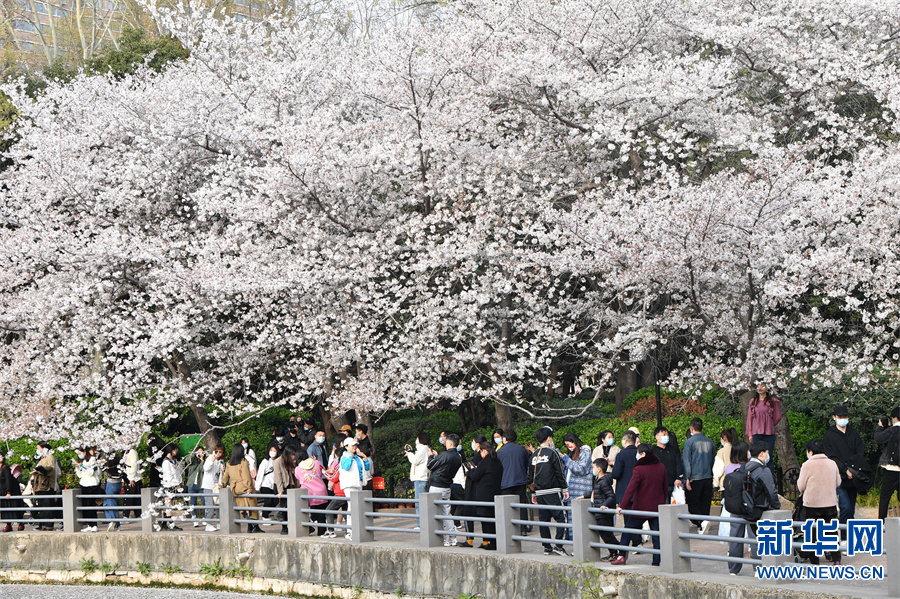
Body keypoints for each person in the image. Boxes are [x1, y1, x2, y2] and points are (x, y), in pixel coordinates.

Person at [610, 443, 667, 566]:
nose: (637, 455)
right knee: (656, 535)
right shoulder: (661, 466)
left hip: (641, 508)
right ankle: (657, 561)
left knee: (627, 531)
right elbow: (665, 487)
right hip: (656, 507)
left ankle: (621, 556)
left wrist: (622, 506)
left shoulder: (639, 469)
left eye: (638, 453)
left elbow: (630, 489)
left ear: (643, 454)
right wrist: (662, 502)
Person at [727, 442, 780, 575]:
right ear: (762, 454)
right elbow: (771, 492)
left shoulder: (743, 467)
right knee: (755, 539)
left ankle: (733, 569)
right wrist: (777, 506)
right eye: (767, 453)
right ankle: (758, 568)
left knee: (735, 538)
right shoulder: (763, 470)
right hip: (754, 509)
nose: (768, 456)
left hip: (738, 507)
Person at [797, 439, 842, 565]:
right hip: (830, 503)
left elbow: (801, 486)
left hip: (812, 504)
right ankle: (836, 559)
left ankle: (814, 561)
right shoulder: (832, 463)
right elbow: (838, 482)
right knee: (832, 532)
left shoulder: (807, 465)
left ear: (810, 451)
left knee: (812, 534)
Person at [528, 426, 569, 557]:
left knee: (544, 520)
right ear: (549, 438)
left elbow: (530, 476)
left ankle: (547, 547)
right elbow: (559, 472)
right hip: (553, 491)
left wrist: (533, 493)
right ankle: (559, 545)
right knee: (562, 518)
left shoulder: (534, 455)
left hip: (539, 493)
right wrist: (565, 488)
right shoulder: (552, 453)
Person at [823, 405, 866, 526]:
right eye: (840, 417)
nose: (842, 419)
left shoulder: (854, 433)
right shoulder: (829, 435)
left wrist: (854, 469)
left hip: (853, 476)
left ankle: (849, 533)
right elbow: (831, 456)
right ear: (834, 417)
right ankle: (844, 533)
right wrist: (844, 469)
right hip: (838, 477)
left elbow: (860, 452)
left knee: (851, 509)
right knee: (845, 507)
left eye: (845, 416)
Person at [426, 433, 462, 547]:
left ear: (450, 443)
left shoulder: (445, 454)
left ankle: (441, 539)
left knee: (435, 512)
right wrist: (438, 456)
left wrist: (430, 456)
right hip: (447, 486)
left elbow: (430, 465)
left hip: (436, 486)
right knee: (447, 512)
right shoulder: (458, 457)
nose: (444, 443)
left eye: (446, 442)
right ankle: (452, 537)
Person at [466, 440, 503, 550]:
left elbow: (475, 476)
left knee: (486, 520)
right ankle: (494, 542)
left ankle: (491, 543)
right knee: (493, 519)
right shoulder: (498, 462)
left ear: (484, 451)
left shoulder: (484, 463)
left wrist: (471, 471)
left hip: (484, 496)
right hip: (496, 493)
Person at [682, 418, 715, 530]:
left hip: (695, 477)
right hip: (708, 476)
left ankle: (700, 522)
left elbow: (687, 462)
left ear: (691, 428)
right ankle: (704, 522)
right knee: (705, 502)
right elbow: (712, 460)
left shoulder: (689, 442)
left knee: (692, 503)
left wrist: (687, 478)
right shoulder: (710, 442)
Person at [498, 429, 531, 535]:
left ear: (505, 439)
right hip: (520, 481)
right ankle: (523, 528)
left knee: (508, 506)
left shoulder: (500, 452)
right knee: (521, 504)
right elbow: (527, 464)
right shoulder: (521, 449)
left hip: (505, 482)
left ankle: (510, 529)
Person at [221, 443, 260, 533]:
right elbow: (246, 476)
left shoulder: (229, 463)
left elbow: (226, 476)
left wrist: (222, 485)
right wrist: (249, 488)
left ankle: (251, 527)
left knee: (244, 507)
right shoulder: (243, 462)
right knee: (251, 507)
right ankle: (254, 525)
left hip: (235, 489)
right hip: (244, 487)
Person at [746, 382, 782, 473]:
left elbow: (778, 416)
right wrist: (750, 433)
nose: (760, 388)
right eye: (758, 386)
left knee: (768, 456)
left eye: (762, 386)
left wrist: (770, 424)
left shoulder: (772, 401)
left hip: (769, 433)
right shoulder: (753, 401)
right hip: (756, 433)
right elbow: (749, 418)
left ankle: (768, 476)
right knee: (756, 455)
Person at [560, 433, 592, 539]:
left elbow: (580, 469)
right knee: (572, 518)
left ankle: (579, 542)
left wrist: (567, 460)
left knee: (580, 519)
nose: (569, 447)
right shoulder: (572, 454)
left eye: (569, 444)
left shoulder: (585, 451)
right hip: (571, 491)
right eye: (567, 445)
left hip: (580, 491)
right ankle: (573, 540)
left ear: (575, 442)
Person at [340, 437, 372, 540]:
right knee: (351, 507)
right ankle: (350, 531)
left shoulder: (357, 457)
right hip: (350, 485)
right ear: (346, 447)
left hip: (358, 484)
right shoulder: (344, 456)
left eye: (355, 445)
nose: (354, 447)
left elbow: (366, 467)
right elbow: (346, 467)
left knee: (359, 507)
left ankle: (357, 529)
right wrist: (350, 456)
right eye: (352, 445)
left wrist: (364, 457)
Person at [590, 458, 619, 561]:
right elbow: (596, 492)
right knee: (606, 534)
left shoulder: (603, 482)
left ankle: (619, 551)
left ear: (599, 469)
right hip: (600, 512)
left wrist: (604, 505)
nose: (592, 469)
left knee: (607, 535)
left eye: (594, 467)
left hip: (603, 513)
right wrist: (584, 495)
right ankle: (613, 553)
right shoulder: (599, 481)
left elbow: (611, 496)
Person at [875, 407, 900, 521]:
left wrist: (880, 427)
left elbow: (878, 438)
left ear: (894, 418)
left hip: (892, 469)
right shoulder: (893, 429)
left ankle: (882, 522)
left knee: (885, 497)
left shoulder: (893, 430)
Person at [713, 428, 738, 538]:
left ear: (724, 438)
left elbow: (717, 471)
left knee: (727, 510)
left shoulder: (722, 452)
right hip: (739, 483)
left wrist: (715, 484)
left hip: (726, 484)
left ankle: (727, 534)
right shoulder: (739, 449)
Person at [650, 426, 684, 501]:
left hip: (673, 484)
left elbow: (679, 464)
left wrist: (679, 478)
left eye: (667, 434)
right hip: (659, 485)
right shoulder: (653, 451)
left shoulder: (673, 450)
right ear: (657, 437)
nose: (666, 436)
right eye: (664, 434)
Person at [31, 442, 59, 530]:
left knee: (47, 506)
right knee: (41, 506)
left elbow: (51, 470)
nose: (37, 450)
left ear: (44, 448)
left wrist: (40, 470)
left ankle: (48, 525)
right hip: (40, 485)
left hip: (47, 486)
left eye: (38, 448)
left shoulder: (50, 458)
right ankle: (42, 524)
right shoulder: (42, 458)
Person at [74, 446, 102, 532]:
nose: (79, 455)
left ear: (85, 452)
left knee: (91, 504)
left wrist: (82, 466)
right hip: (84, 483)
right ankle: (89, 524)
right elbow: (80, 475)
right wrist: (78, 467)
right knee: (85, 505)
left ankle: (94, 524)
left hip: (91, 484)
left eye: (80, 453)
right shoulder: (83, 461)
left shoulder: (92, 460)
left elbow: (91, 472)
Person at [273, 445, 300, 535]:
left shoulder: (291, 461)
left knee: (290, 506)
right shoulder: (278, 461)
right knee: (284, 506)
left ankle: (289, 526)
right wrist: (280, 490)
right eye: (293, 454)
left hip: (289, 485)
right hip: (281, 486)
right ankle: (284, 527)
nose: (294, 456)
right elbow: (278, 477)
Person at [405, 432, 430, 528]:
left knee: (419, 503)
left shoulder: (423, 449)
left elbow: (415, 460)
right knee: (422, 503)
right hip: (422, 478)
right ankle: (423, 524)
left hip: (420, 479)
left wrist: (409, 454)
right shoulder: (424, 449)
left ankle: (421, 525)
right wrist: (412, 452)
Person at [323, 446, 347, 538]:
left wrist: (325, 473)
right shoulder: (345, 465)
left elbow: (333, 478)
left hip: (340, 494)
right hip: (345, 492)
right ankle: (349, 531)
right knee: (346, 513)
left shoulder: (340, 466)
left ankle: (330, 531)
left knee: (329, 510)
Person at [200, 445, 224, 531]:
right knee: (210, 506)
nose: (218, 453)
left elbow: (217, 474)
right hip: (208, 486)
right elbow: (205, 468)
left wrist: (221, 471)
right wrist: (212, 460)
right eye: (217, 451)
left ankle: (219, 522)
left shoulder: (220, 461)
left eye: (220, 452)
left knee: (218, 504)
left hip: (216, 486)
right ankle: (208, 524)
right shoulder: (210, 458)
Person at [160, 444, 184, 531]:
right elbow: (168, 475)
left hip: (174, 485)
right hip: (168, 485)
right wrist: (173, 484)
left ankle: (164, 524)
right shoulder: (166, 462)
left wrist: (178, 482)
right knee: (168, 505)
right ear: (171, 450)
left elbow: (177, 472)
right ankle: (171, 524)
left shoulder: (174, 460)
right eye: (175, 450)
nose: (176, 451)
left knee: (169, 505)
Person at [611, 431, 638, 505]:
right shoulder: (639, 453)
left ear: (625, 441)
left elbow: (616, 474)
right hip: (638, 491)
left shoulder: (621, 454)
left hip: (624, 491)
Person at [255, 445, 279, 524]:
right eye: (271, 450)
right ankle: (265, 517)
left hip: (274, 485)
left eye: (274, 451)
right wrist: (257, 486)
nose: (273, 452)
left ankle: (265, 512)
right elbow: (260, 473)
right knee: (268, 500)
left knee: (275, 501)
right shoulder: (265, 461)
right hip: (265, 484)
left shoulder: (278, 461)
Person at [183, 445, 206, 527]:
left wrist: (202, 460)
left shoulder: (205, 461)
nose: (200, 453)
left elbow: (203, 469)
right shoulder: (192, 460)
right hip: (192, 484)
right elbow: (187, 460)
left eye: (202, 452)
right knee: (193, 502)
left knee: (204, 501)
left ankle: (204, 518)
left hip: (201, 484)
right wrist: (193, 454)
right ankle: (194, 519)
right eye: (199, 452)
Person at [0, 454, 24, 532]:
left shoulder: (5, 468)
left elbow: (8, 480)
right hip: (2, 490)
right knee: (5, 508)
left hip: (10, 490)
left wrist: (8, 491)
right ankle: (8, 524)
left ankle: (20, 523)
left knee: (14, 506)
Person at [101, 452, 124, 532]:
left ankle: (112, 521)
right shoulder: (119, 460)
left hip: (111, 484)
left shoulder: (109, 463)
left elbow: (106, 473)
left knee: (109, 504)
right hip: (118, 483)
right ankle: (116, 524)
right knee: (109, 503)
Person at [122, 446, 142, 519]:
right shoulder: (126, 452)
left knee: (129, 497)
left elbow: (134, 465)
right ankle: (138, 515)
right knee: (133, 497)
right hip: (128, 477)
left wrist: (132, 478)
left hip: (133, 478)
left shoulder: (132, 452)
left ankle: (126, 516)